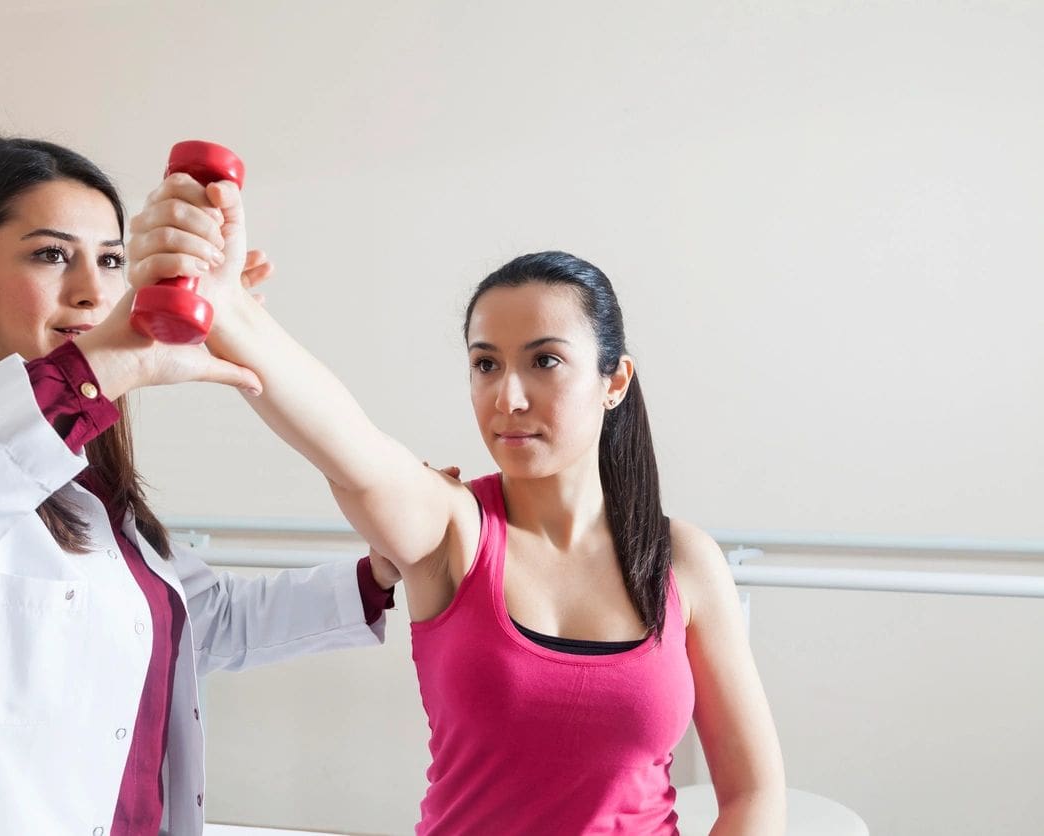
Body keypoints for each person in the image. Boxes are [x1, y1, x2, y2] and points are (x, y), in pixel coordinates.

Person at [131, 176, 788, 834]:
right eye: (486, 365)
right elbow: (350, 450)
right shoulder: (452, 529)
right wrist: (231, 312)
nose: (508, 398)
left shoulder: (684, 562)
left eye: (545, 361)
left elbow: (753, 795)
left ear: (613, 380)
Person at [0, 135, 398, 836]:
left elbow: (209, 621)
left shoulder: (98, 501)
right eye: (51, 254)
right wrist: (98, 369)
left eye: (110, 260)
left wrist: (376, 573)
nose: (90, 289)